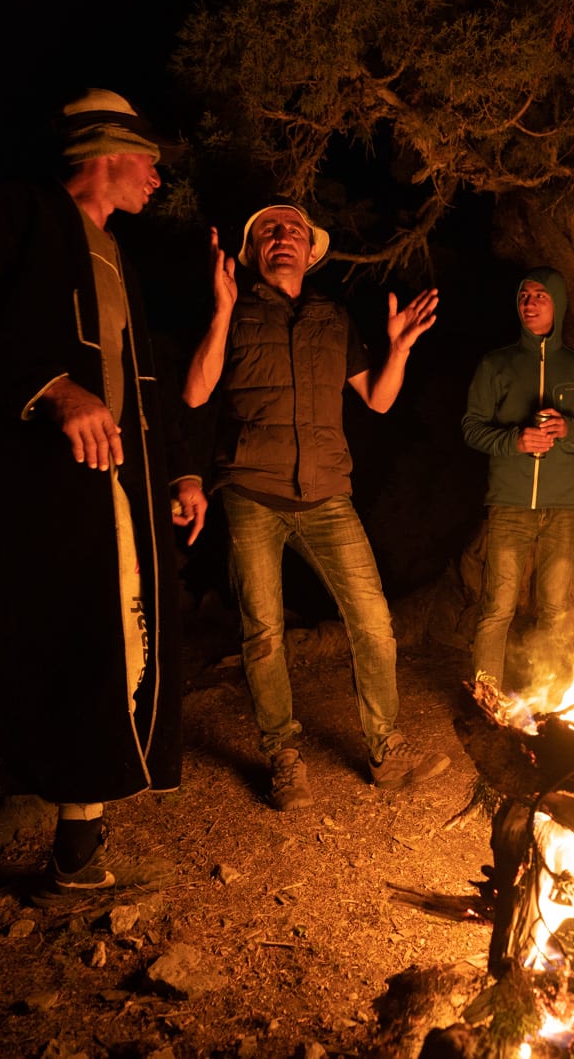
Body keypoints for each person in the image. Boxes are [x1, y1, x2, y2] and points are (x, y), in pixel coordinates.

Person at [0, 88, 215, 968]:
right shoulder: (13, 212)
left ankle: (77, 853)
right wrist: (50, 387)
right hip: (9, 495)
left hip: (110, 496)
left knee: (105, 649)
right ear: (107, 149)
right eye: (148, 157)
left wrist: (181, 470)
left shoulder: (118, 255)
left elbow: (139, 377)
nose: (158, 176)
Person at [182, 200, 448, 811]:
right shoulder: (235, 309)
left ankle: (386, 750)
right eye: (270, 230)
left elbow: (378, 401)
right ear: (254, 251)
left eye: (295, 230)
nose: (284, 237)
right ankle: (282, 756)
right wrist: (222, 313)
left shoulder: (333, 317)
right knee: (265, 632)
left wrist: (399, 349)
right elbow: (196, 391)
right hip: (252, 491)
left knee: (373, 619)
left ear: (310, 250)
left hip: (327, 493)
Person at [462, 267, 574, 695]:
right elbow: (471, 428)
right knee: (497, 609)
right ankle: (486, 697)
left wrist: (568, 431)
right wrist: (515, 441)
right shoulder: (497, 363)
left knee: (556, 610)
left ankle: (551, 701)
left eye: (540, 296)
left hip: (563, 506)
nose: (529, 303)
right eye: (524, 296)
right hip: (509, 504)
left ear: (558, 304)